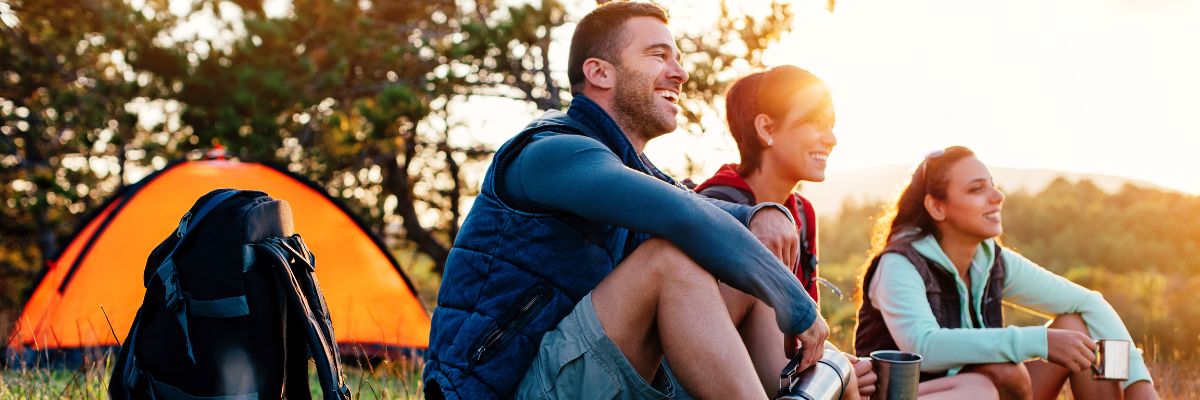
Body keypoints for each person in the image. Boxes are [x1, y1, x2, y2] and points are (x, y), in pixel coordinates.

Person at [422, 2, 828, 399]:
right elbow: (683, 214)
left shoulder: (633, 167)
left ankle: (792, 390)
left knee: (741, 257)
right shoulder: (552, 152)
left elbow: (700, 208)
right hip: (502, 386)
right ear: (599, 72)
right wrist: (799, 306)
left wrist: (761, 214)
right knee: (671, 260)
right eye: (658, 55)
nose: (680, 73)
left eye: (678, 59)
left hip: (576, 370)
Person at [854, 146, 1158, 399]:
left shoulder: (991, 260)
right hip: (924, 394)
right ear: (937, 207)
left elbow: (1088, 302)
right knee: (991, 379)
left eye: (992, 185)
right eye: (977, 189)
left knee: (1076, 327)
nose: (997, 196)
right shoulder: (899, 264)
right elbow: (924, 346)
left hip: (982, 389)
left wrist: (1138, 383)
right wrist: (1039, 341)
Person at [693, 65, 877, 398]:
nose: (831, 138)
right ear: (765, 128)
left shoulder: (802, 213)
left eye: (832, 124)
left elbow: (805, 321)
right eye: (814, 122)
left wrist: (838, 359)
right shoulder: (716, 206)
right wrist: (835, 371)